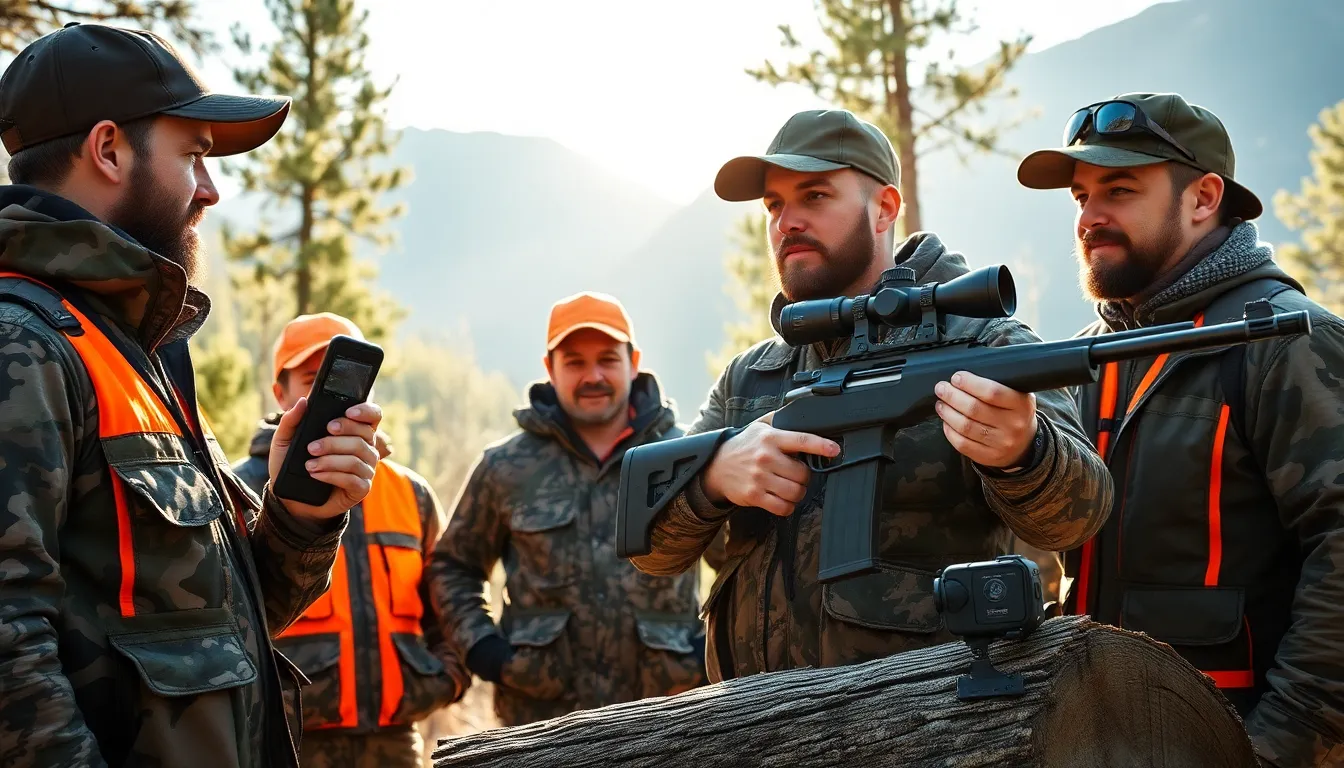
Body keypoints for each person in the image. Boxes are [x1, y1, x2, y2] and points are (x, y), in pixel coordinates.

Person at [0, 23, 384, 768]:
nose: (210, 190)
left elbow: (224, 624)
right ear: (108, 150)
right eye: (195, 157)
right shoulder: (24, 344)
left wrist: (300, 519)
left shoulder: (132, 354)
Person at [628, 108, 1113, 680]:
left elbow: (1078, 519)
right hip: (753, 726)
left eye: (814, 196)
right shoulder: (750, 378)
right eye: (775, 206)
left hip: (921, 725)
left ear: (884, 209)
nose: (787, 222)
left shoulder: (985, 344)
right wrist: (712, 480)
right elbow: (651, 551)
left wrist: (1024, 453)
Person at [1017, 92, 1344, 767]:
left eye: (1119, 188)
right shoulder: (1085, 358)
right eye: (1080, 196)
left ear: (1203, 198)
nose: (1089, 217)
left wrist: (1276, 751)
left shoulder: (1289, 343)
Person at [428, 291, 716, 727]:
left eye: (607, 359)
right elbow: (453, 566)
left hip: (665, 718)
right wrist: (487, 652)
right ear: (550, 369)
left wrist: (707, 652)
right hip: (538, 722)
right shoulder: (506, 466)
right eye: (575, 362)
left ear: (633, 361)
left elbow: (740, 564)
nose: (593, 375)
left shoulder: (686, 454)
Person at [233, 313, 470, 768]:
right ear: (279, 393)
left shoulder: (411, 493)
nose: (330, 395)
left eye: (345, 380)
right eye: (311, 378)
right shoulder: (238, 490)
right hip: (287, 745)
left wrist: (443, 680)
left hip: (398, 744)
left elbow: (447, 600)